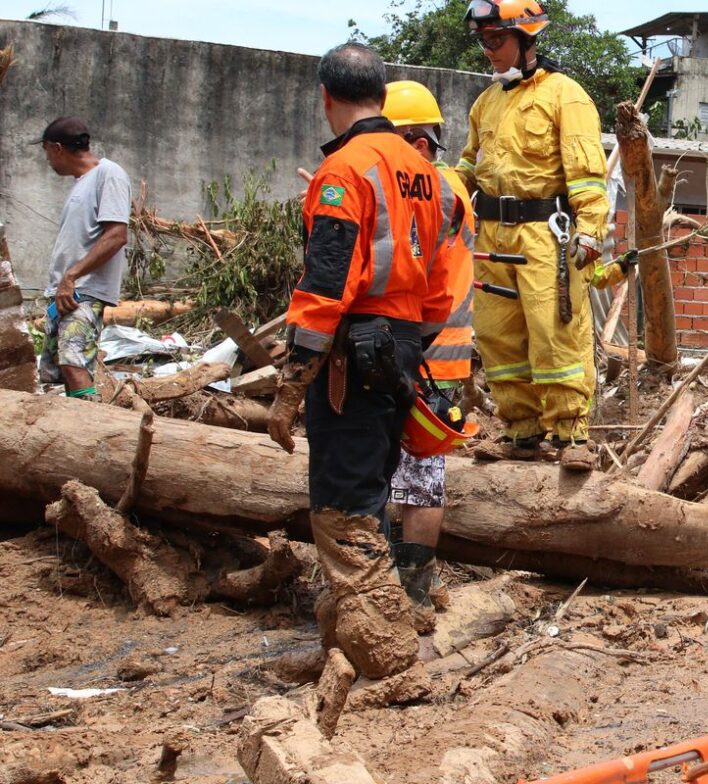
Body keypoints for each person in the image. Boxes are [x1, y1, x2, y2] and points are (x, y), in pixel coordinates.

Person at [266, 43, 461, 679]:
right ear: (381, 95)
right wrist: (407, 349)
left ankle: (386, 656)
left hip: (352, 352)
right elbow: (439, 285)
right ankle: (344, 645)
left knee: (344, 508)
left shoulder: (345, 172)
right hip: (399, 348)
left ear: (326, 96)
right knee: (369, 494)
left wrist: (292, 384)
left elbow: (324, 285)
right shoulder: (428, 176)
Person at [458, 0, 609, 471]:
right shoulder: (487, 101)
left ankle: (571, 435)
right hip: (492, 236)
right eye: (483, 42)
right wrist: (442, 192)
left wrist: (589, 231)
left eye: (496, 40)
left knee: (554, 334)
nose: (488, 51)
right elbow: (468, 165)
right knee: (497, 336)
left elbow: (587, 176)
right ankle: (521, 431)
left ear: (526, 38)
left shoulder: (566, 95)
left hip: (545, 235)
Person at [382, 79, 476, 626]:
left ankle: (413, 592)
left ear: (418, 143)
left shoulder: (434, 190)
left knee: (418, 478)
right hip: (428, 354)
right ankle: (406, 582)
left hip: (424, 356)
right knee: (408, 475)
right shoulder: (443, 186)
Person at [36, 117, 130, 400]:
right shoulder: (81, 183)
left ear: (56, 148)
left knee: (73, 362)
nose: (48, 161)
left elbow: (116, 236)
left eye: (46, 153)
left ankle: (93, 433)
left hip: (82, 292)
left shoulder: (108, 174)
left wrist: (71, 276)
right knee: (56, 372)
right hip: (65, 293)